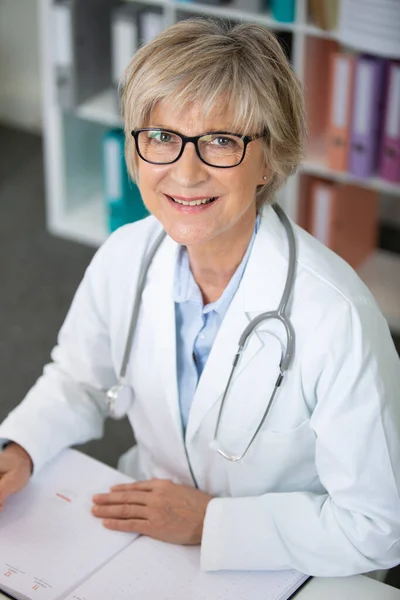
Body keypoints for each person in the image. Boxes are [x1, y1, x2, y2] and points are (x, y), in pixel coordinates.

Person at [0, 18, 399, 577]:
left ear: (269, 158)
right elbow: (80, 379)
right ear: (135, 152)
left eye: (220, 141)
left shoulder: (337, 317)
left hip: (289, 565)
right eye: (162, 137)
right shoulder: (125, 256)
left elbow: (379, 527)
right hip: (147, 534)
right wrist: (19, 447)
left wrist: (212, 522)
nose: (186, 173)